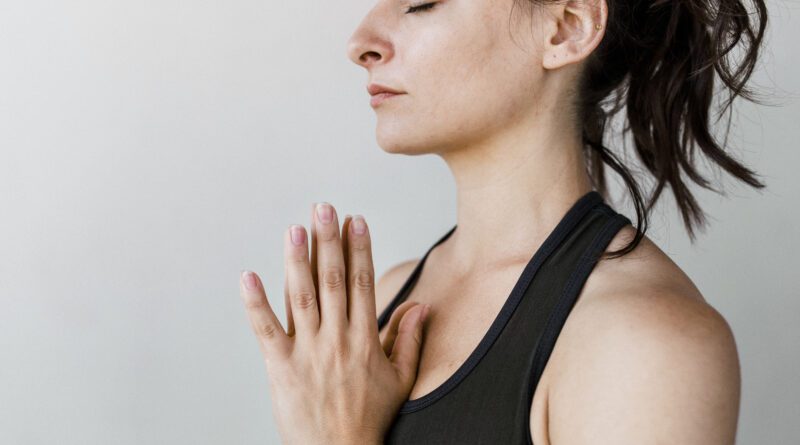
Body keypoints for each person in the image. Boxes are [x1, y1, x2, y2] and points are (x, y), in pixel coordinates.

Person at [239, 0, 769, 443]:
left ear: (566, 27)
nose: (361, 42)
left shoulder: (649, 345)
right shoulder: (381, 304)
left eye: (422, 0)